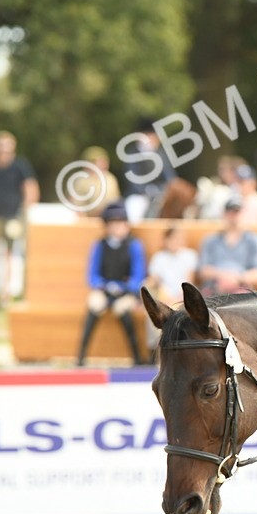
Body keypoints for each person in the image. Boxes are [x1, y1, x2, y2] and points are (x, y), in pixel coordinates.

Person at [76, 202, 147, 366]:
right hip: (104, 290)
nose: (118, 227)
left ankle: (136, 357)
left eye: (121, 223)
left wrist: (124, 287)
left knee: (122, 309)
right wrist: (104, 285)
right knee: (94, 304)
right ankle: (81, 355)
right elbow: (92, 275)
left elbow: (138, 276)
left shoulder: (134, 245)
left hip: (126, 293)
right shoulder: (99, 245)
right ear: (107, 226)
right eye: (114, 223)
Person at [0, 130, 38, 304]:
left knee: (12, 255)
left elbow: (31, 189)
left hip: (14, 217)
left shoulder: (20, 166)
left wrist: (22, 213)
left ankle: (10, 292)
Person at [198, 198, 257, 296]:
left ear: (244, 214)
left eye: (238, 212)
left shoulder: (255, 240)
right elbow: (203, 271)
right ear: (224, 214)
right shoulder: (210, 240)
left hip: (242, 290)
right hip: (214, 289)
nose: (235, 216)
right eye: (231, 212)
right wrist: (222, 277)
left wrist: (237, 278)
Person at [144, 225, 199, 348]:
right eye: (172, 238)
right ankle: (156, 346)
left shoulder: (189, 255)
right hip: (163, 296)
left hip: (183, 296)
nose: (175, 242)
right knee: (153, 311)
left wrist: (179, 297)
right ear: (166, 240)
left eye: (179, 238)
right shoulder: (159, 257)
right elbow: (154, 280)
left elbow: (189, 281)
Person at [121, 118, 177, 222]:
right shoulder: (131, 153)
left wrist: (160, 191)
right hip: (138, 195)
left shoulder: (161, 154)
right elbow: (132, 178)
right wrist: (146, 190)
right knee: (133, 211)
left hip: (160, 195)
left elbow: (170, 177)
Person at [80, 146, 122, 217]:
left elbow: (116, 202)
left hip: (109, 218)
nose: (103, 164)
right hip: (89, 219)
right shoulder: (81, 181)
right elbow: (78, 209)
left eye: (104, 161)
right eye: (99, 162)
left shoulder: (111, 179)